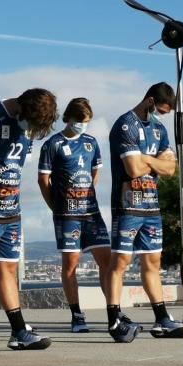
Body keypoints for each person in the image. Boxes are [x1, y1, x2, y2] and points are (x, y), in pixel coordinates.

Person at [0, 88, 58, 354]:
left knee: (8, 270)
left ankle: (19, 331)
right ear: (21, 108)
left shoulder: (29, 126)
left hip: (11, 210)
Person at [105, 83, 182, 343]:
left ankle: (161, 318)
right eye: (160, 110)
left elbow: (171, 168)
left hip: (151, 205)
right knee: (121, 263)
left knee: (153, 263)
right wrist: (153, 162)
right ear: (149, 101)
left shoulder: (159, 128)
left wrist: (147, 160)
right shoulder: (125, 125)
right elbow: (133, 168)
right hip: (127, 205)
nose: (161, 115)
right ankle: (114, 316)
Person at [37, 97, 111, 332]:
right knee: (71, 263)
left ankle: (114, 311)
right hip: (66, 214)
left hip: (91, 212)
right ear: (68, 118)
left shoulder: (91, 142)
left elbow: (95, 171)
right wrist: (55, 206)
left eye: (87, 121)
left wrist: (87, 192)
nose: (83, 125)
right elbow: (43, 180)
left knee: (106, 260)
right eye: (80, 121)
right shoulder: (53, 144)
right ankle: (77, 315)